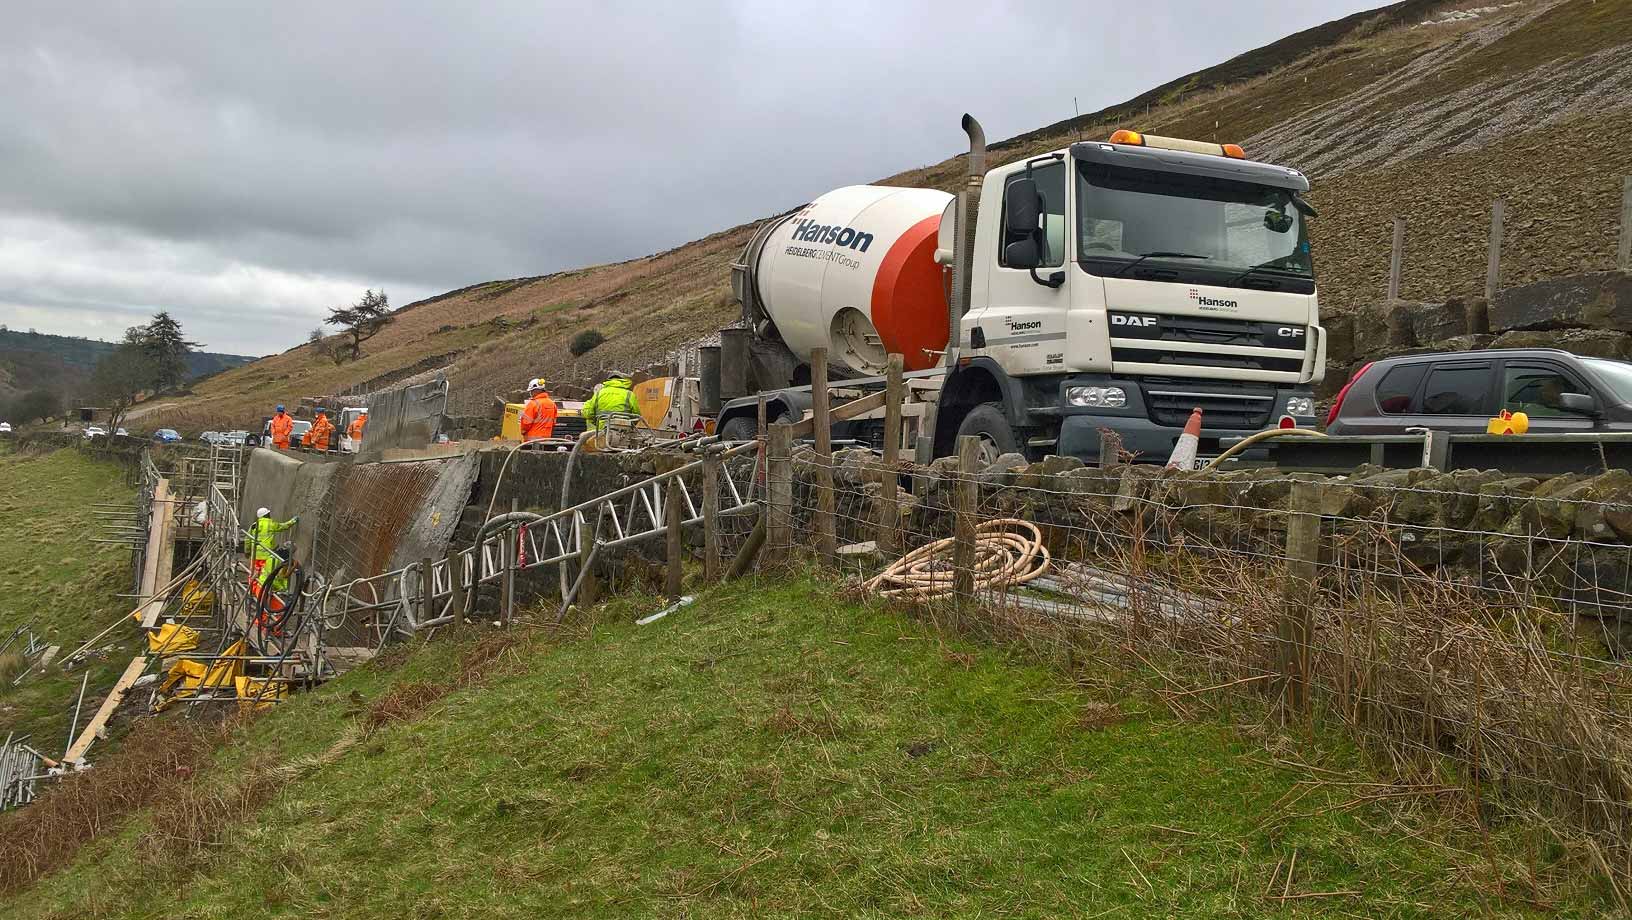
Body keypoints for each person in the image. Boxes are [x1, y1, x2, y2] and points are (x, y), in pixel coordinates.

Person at [243, 507, 297, 587]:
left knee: (253, 573)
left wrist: (247, 551)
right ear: (267, 515)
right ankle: (262, 590)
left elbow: (247, 539)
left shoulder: (254, 525)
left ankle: (252, 589)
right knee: (264, 574)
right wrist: (293, 521)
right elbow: (283, 526)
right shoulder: (270, 524)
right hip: (266, 555)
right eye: (268, 514)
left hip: (255, 555)